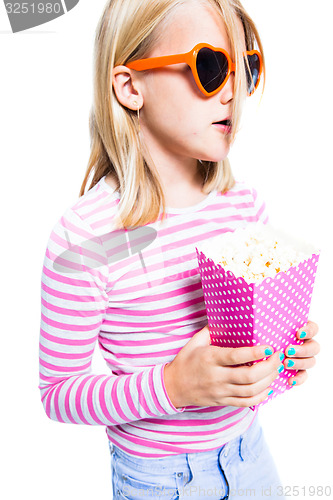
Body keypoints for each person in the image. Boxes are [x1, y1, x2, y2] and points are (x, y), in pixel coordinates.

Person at [38, 0, 320, 498]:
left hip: (249, 455)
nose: (233, 92)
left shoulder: (244, 206)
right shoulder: (87, 238)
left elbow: (251, 351)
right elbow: (59, 395)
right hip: (160, 481)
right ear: (130, 87)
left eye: (245, 67)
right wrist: (173, 386)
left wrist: (282, 359)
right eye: (210, 67)